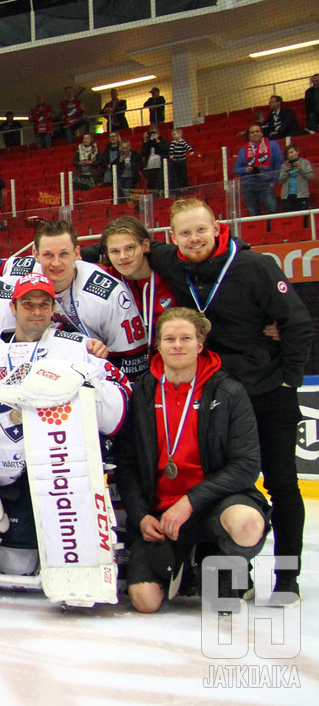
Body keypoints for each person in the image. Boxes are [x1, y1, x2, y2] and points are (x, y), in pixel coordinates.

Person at [145, 198, 312, 600]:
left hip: (267, 393)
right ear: (173, 238)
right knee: (221, 485)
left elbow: (299, 325)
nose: (194, 239)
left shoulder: (256, 267)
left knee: (282, 484)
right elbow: (129, 245)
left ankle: (287, 577)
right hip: (217, 397)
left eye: (201, 230)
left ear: (217, 227)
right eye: (185, 233)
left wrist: (288, 381)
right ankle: (239, 574)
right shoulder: (172, 260)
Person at [0, 273, 130, 580]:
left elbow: (120, 410)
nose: (36, 311)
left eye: (44, 304)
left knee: (74, 567)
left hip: (65, 481)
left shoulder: (78, 350)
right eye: (28, 304)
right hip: (9, 483)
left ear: (52, 309)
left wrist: (92, 391)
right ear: (14, 307)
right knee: (13, 568)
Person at [113, 308, 271, 612]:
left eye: (186, 338)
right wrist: (140, 515)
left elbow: (246, 466)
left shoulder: (228, 391)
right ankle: (185, 566)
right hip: (161, 512)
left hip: (213, 506)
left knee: (247, 523)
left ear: (200, 344)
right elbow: (127, 463)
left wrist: (189, 502)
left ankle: (222, 561)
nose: (177, 345)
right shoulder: (143, 391)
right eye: (169, 338)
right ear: (157, 345)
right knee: (144, 602)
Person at [33, 220, 149, 377]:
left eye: (64, 254)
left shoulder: (107, 294)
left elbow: (132, 361)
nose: (56, 263)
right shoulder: (23, 273)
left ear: (76, 253)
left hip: (96, 375)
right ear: (36, 255)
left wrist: (103, 359)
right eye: (48, 254)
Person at [100, 217, 176, 354]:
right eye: (115, 251)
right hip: (124, 363)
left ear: (145, 246)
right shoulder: (104, 279)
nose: (123, 256)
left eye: (130, 248)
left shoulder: (171, 277)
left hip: (170, 359)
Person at [234, 123, 282, 216]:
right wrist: (246, 170)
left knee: (272, 209)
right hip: (249, 185)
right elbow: (236, 169)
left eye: (257, 131)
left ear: (262, 134)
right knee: (253, 212)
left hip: (267, 183)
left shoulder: (272, 145)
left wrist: (275, 180)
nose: (255, 134)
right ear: (249, 136)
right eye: (252, 132)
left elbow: (279, 164)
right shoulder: (243, 151)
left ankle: (271, 229)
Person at [278, 144, 313, 216]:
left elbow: (311, 176)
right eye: (288, 154)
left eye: (291, 152)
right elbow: (281, 180)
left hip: (301, 194)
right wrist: (286, 171)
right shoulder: (284, 165)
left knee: (303, 216)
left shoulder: (305, 162)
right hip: (287, 195)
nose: (290, 155)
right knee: (289, 216)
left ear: (297, 152)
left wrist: (300, 168)